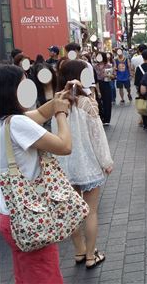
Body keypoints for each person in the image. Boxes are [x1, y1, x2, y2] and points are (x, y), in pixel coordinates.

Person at [0, 65, 72, 283]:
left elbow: (40, 114)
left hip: (9, 212)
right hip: (29, 213)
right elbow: (64, 146)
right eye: (24, 83)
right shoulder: (17, 124)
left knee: (26, 271)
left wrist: (56, 101)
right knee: (44, 274)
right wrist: (61, 113)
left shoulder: (5, 121)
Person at [53, 59, 113, 269]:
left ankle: (79, 251)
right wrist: (106, 161)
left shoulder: (57, 102)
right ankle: (90, 255)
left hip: (64, 165)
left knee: (72, 211)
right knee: (91, 211)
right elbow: (97, 135)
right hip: (87, 163)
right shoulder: (87, 102)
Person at [134, 49, 147, 130]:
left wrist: (139, 91)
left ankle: (146, 124)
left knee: (144, 107)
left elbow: (136, 82)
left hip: (142, 91)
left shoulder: (139, 68)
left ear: (142, 57)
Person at [94, 52, 114, 125]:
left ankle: (107, 120)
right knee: (98, 102)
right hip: (97, 84)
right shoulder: (94, 66)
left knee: (107, 102)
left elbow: (113, 76)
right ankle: (101, 117)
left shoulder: (108, 65)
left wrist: (109, 75)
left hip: (106, 83)